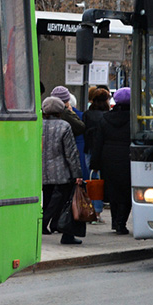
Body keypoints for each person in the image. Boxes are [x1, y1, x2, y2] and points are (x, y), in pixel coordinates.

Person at [41, 96, 84, 244]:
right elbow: (71, 153)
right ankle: (57, 226)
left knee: (47, 198)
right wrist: (77, 174)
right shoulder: (64, 126)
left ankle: (47, 224)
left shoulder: (37, 124)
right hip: (61, 172)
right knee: (64, 201)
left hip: (41, 170)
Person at [90, 87, 132, 235]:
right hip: (128, 157)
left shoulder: (105, 118)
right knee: (127, 191)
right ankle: (121, 222)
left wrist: (95, 164)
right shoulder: (134, 120)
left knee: (113, 191)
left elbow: (98, 143)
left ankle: (115, 222)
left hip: (108, 158)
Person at [83, 86, 112, 218]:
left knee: (92, 181)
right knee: (101, 181)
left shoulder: (87, 114)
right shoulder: (107, 116)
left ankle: (92, 209)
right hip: (103, 150)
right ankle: (98, 211)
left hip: (89, 149)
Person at [50, 85, 87, 176]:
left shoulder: (45, 114)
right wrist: (71, 113)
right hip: (63, 163)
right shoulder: (66, 115)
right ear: (67, 101)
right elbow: (80, 127)